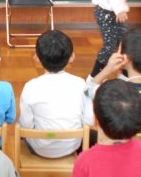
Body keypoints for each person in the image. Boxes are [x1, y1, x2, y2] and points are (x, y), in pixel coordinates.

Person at [19, 30, 90, 158]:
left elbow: (25, 125)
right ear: (71, 57)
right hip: (71, 146)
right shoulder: (81, 84)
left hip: (39, 148)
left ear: (37, 58)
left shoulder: (31, 86)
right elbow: (88, 121)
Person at [85, 28, 141, 135]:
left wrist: (108, 69)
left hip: (125, 142)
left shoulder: (116, 90)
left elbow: (88, 89)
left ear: (125, 58)